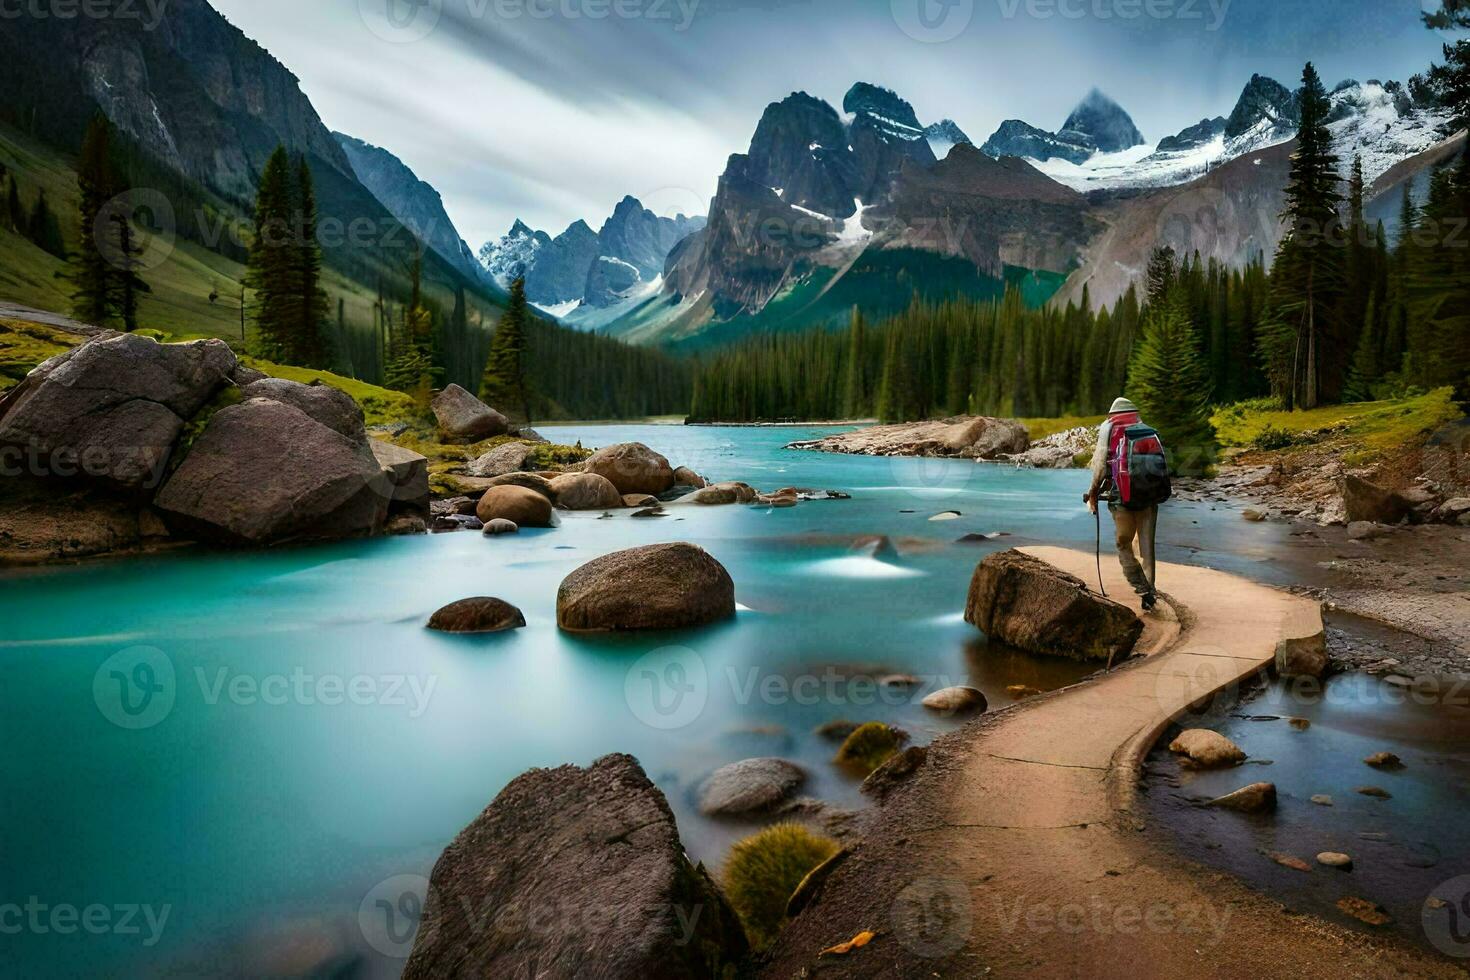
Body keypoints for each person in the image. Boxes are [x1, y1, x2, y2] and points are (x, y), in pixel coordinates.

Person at [1085, 397, 1160, 611]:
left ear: (1112, 414)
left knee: (1123, 542)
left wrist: (1093, 491)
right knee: (1146, 546)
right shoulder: (1145, 428)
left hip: (1122, 497)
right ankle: (1149, 593)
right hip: (1149, 496)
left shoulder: (1108, 428)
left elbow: (1100, 463)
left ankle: (1141, 587)